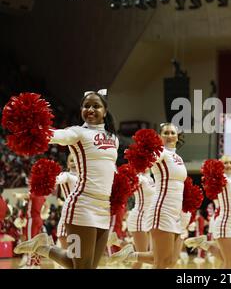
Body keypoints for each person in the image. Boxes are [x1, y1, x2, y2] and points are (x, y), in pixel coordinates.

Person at [14, 90, 119, 269]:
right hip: (82, 207)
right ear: (81, 110)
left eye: (96, 106)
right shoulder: (77, 133)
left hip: (104, 209)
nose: (91, 109)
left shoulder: (114, 139)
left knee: (85, 265)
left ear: (105, 110)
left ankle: (42, 247)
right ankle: (42, 247)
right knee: (82, 267)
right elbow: (56, 136)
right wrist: (33, 127)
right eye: (86, 106)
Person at [148, 122, 187, 269]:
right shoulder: (160, 152)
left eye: (172, 133)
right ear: (159, 136)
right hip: (162, 208)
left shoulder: (178, 157)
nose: (169, 136)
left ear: (178, 136)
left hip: (175, 212)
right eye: (166, 133)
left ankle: (131, 255)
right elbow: (145, 161)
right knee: (161, 263)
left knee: (170, 261)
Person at [213, 155, 231, 269]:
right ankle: (207, 246)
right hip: (225, 223)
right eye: (225, 163)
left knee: (230, 260)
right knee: (229, 262)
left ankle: (207, 245)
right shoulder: (222, 179)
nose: (229, 165)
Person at [125, 169, 155, 269]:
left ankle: (118, 242)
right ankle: (123, 248)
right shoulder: (139, 178)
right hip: (139, 218)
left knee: (150, 257)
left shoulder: (150, 178)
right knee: (142, 258)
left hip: (149, 218)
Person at [55, 154, 78, 249]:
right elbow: (57, 180)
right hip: (70, 212)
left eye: (77, 160)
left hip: (80, 213)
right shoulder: (66, 175)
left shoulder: (86, 177)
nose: (74, 163)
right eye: (72, 160)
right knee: (64, 238)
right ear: (68, 164)